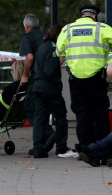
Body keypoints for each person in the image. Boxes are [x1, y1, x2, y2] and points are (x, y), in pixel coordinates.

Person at [56, 6, 112, 147]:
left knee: (82, 115)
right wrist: (110, 51)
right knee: (100, 114)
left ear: (81, 15)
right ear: (94, 16)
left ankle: (85, 148)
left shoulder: (68, 29)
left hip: (75, 79)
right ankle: (102, 149)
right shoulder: (100, 28)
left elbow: (59, 51)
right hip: (97, 79)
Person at [33, 25, 75, 158]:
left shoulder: (42, 46)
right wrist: (58, 83)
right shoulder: (52, 48)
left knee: (40, 119)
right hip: (50, 89)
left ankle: (38, 148)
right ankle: (61, 148)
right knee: (61, 118)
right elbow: (50, 70)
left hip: (38, 87)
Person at [19, 14, 55, 154]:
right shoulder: (46, 37)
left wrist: (25, 74)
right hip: (50, 77)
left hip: (36, 78)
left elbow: (29, 57)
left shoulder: (28, 37)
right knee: (44, 108)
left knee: (29, 106)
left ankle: (46, 134)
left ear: (26, 26)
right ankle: (44, 140)